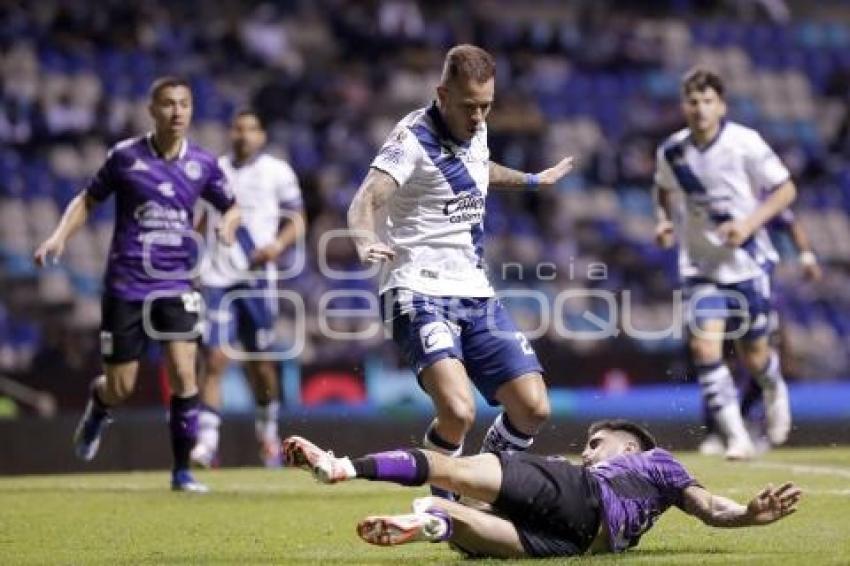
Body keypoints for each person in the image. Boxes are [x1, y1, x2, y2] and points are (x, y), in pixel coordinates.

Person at [346, 44, 574, 496]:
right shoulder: (410, 139)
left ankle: (476, 478)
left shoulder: (477, 127)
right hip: (416, 289)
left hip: (474, 289)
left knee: (533, 408)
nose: (478, 117)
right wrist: (366, 238)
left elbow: (477, 168)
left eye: (486, 106)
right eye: (469, 106)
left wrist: (533, 179)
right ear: (442, 94)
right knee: (458, 411)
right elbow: (366, 197)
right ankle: (444, 495)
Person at [33, 76, 240, 492]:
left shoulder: (203, 163)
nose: (177, 111)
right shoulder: (125, 157)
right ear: (152, 109)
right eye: (168, 104)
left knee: (185, 373)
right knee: (120, 386)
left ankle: (182, 471)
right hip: (126, 283)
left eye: (184, 104)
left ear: (192, 109)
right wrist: (58, 236)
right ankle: (98, 405)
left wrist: (229, 227)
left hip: (177, 282)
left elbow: (230, 206)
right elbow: (88, 200)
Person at [281, 420, 801, 558]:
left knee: (451, 469)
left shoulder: (652, 461)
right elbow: (711, 511)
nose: (588, 451)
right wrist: (749, 516)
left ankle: (340, 467)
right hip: (579, 543)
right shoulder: (653, 493)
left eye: (597, 442)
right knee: (456, 517)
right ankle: (429, 522)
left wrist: (747, 514)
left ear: (629, 447)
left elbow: (710, 506)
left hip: (580, 499)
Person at [653, 68, 797, 459]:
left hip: (747, 263)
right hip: (701, 267)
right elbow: (663, 188)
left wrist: (749, 224)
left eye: (708, 101)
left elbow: (786, 189)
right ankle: (736, 435)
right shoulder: (672, 151)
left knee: (754, 356)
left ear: (722, 105)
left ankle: (773, 387)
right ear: (684, 106)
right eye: (693, 102)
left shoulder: (744, 142)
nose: (700, 109)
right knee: (705, 349)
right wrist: (664, 221)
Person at [191, 109, 305, 468]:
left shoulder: (277, 171)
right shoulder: (213, 170)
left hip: (257, 276)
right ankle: (207, 444)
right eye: (238, 128)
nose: (243, 135)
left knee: (260, 365)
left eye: (251, 129)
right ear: (230, 133)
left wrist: (277, 245)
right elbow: (198, 220)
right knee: (213, 357)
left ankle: (267, 435)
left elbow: (298, 219)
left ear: (262, 135)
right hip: (217, 276)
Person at [700, 207, 822, 455]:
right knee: (714, 358)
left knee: (759, 359)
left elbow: (790, 221)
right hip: (716, 287)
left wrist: (806, 257)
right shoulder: (711, 196)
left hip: (758, 290)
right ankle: (716, 431)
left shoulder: (759, 201)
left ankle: (746, 421)